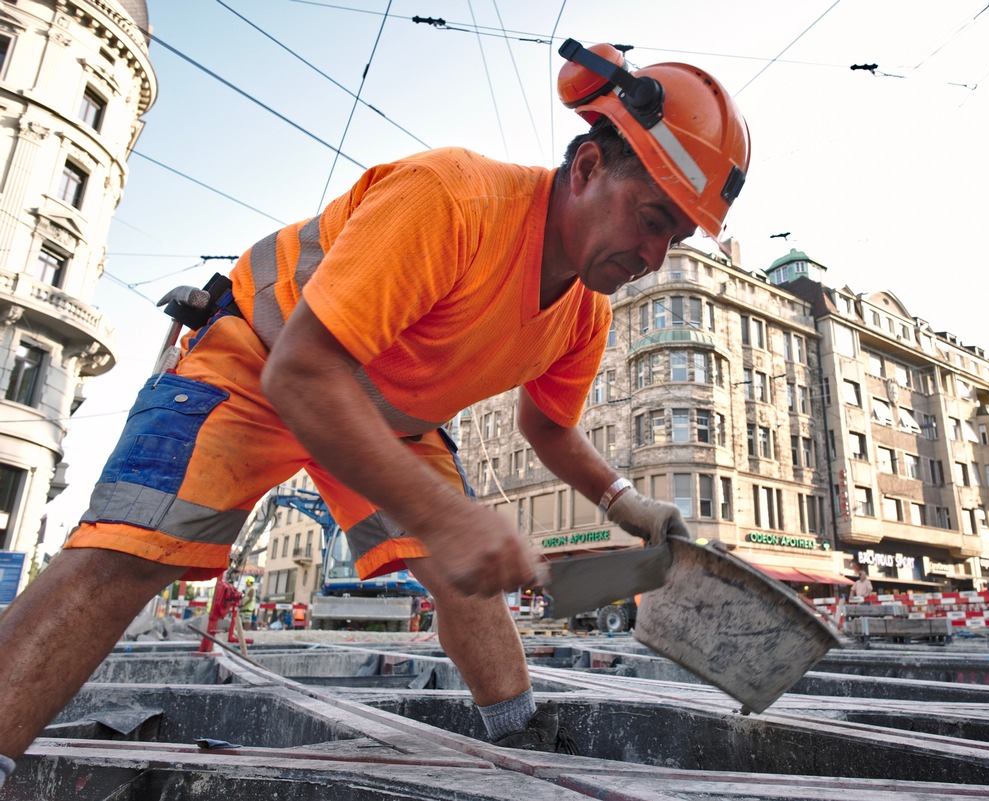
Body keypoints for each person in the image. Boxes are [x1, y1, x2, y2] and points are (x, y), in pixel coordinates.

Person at [0, 39, 749, 782]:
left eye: (674, 236)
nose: (654, 255)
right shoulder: (452, 199)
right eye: (651, 218)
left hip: (385, 419)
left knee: (467, 579)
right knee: (128, 554)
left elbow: (545, 426)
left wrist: (628, 504)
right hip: (262, 362)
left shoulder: (585, 311)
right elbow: (303, 372)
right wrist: (450, 516)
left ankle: (526, 753)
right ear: (587, 167)